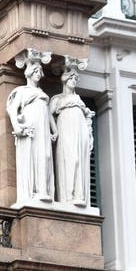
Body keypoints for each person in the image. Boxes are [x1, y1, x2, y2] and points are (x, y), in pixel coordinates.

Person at [6, 56, 56, 204]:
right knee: (33, 156)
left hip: (43, 128)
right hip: (31, 126)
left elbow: (48, 114)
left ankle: (44, 190)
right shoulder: (22, 91)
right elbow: (12, 109)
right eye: (36, 72)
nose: (38, 75)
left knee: (45, 155)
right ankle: (34, 191)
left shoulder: (42, 93)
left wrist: (55, 131)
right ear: (29, 73)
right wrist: (17, 126)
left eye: (39, 73)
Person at [50, 66, 94, 207]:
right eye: (71, 78)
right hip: (66, 129)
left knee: (79, 160)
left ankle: (78, 195)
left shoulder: (79, 100)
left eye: (76, 79)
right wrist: (55, 131)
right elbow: (49, 114)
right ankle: (67, 195)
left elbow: (87, 116)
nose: (74, 81)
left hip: (79, 130)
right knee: (70, 159)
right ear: (65, 80)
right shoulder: (57, 99)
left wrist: (88, 125)